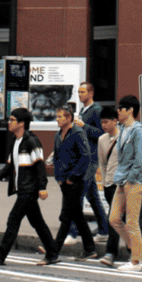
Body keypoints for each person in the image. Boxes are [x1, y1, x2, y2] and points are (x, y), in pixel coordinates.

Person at [0, 108, 56, 265]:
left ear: (21, 123)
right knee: (37, 222)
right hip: (23, 189)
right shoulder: (15, 142)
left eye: (12, 120)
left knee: (13, 219)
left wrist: (42, 187)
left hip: (29, 190)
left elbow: (40, 167)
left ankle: (1, 254)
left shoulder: (32, 142)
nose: (8, 123)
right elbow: (10, 166)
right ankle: (52, 252)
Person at [47, 105, 98, 263]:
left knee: (67, 216)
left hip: (76, 181)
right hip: (64, 181)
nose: (57, 119)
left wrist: (73, 177)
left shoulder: (78, 133)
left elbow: (85, 157)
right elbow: (57, 157)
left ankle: (53, 250)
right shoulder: (57, 135)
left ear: (69, 118)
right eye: (57, 116)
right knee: (77, 215)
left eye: (60, 116)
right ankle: (90, 249)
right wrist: (59, 177)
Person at [108, 95, 142, 270]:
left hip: (134, 181)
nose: (118, 111)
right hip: (122, 180)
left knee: (132, 221)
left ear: (130, 110)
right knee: (114, 218)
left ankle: (136, 261)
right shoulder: (123, 129)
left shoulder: (138, 130)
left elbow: (141, 159)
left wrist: (130, 179)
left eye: (121, 108)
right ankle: (138, 248)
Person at [77, 81, 110, 237]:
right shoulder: (83, 110)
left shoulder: (96, 110)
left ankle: (71, 231)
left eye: (83, 92)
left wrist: (83, 125)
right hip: (83, 156)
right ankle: (104, 229)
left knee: (78, 194)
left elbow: (102, 134)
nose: (80, 94)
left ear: (91, 93)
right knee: (92, 196)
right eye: (78, 92)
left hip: (91, 157)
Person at [96, 106, 121, 267]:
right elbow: (102, 164)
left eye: (107, 122)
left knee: (115, 220)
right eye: (102, 123)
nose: (104, 125)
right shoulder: (102, 140)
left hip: (123, 186)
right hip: (109, 185)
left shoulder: (125, 137)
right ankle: (138, 250)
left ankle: (111, 253)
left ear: (115, 121)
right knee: (119, 220)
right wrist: (105, 182)